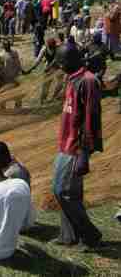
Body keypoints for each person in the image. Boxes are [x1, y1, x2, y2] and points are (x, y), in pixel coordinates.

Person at [50, 45, 103, 250]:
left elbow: (91, 119)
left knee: (62, 191)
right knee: (71, 193)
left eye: (62, 62)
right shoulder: (73, 78)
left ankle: (91, 236)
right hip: (65, 144)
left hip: (75, 147)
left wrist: (84, 153)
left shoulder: (88, 81)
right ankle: (68, 236)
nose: (60, 66)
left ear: (71, 61)